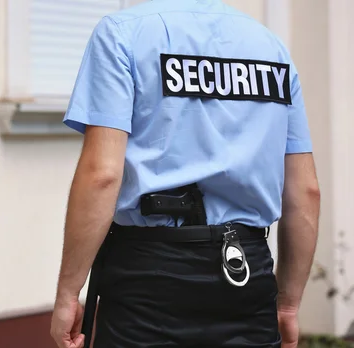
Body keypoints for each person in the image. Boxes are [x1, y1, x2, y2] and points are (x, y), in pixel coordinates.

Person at [50, 1, 320, 348]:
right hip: (245, 273)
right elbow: (306, 190)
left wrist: (68, 293)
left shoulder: (122, 33)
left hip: (150, 277)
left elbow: (102, 174)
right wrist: (288, 304)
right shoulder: (271, 48)